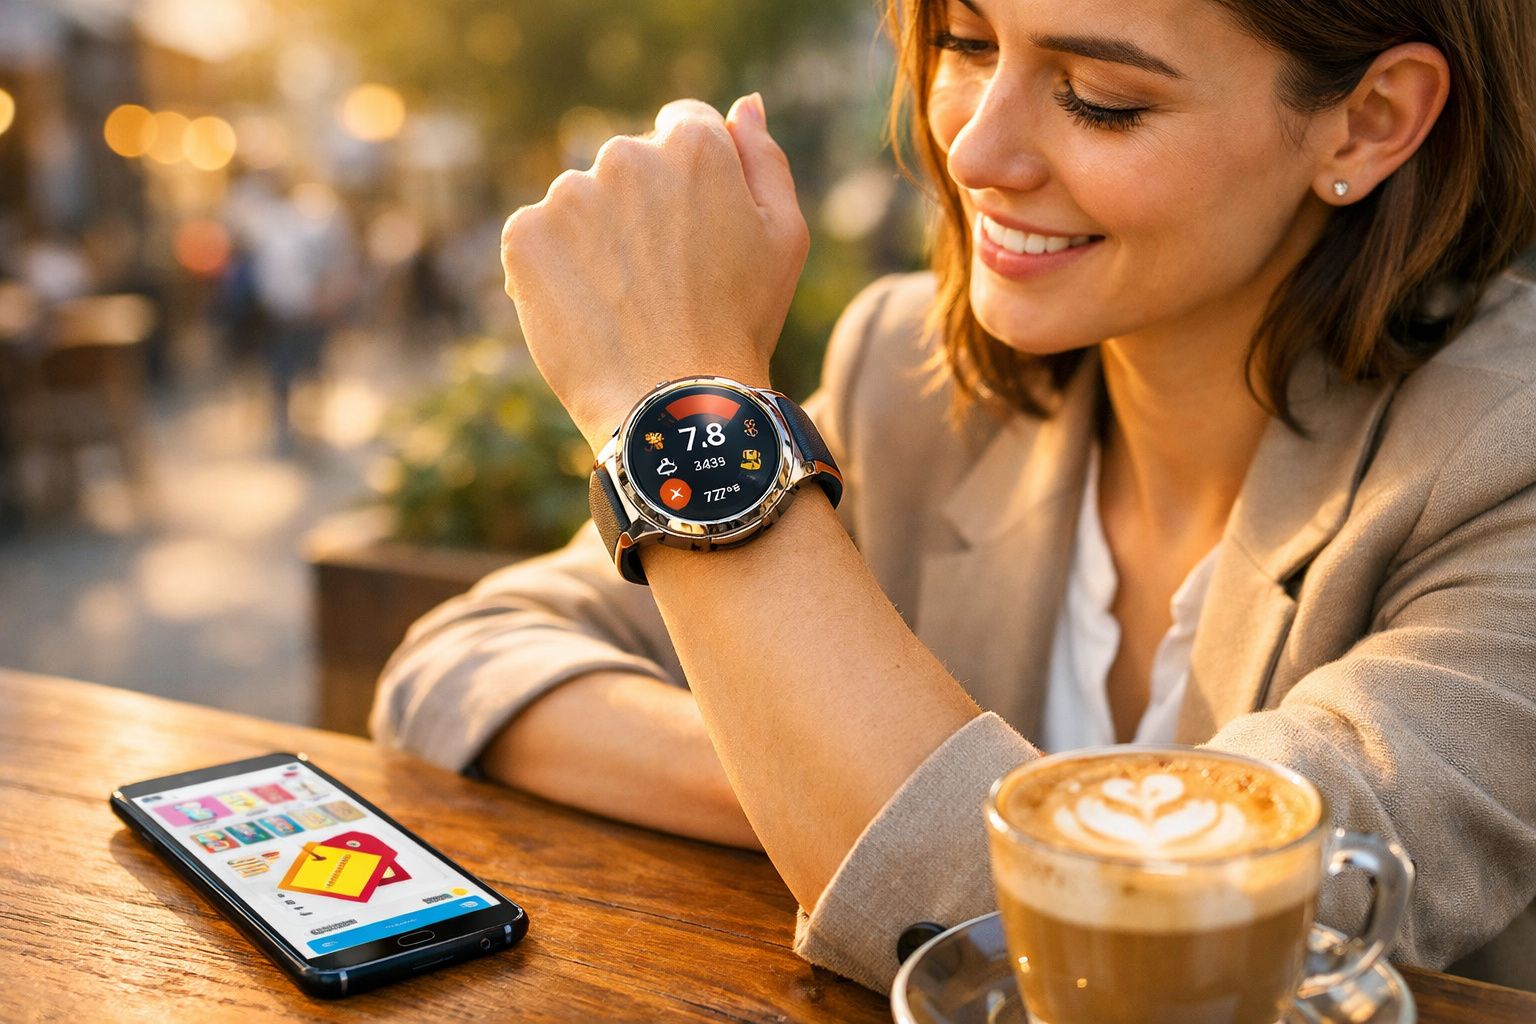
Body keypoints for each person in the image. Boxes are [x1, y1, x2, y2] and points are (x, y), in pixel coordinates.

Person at [372, 0, 1536, 994]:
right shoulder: (906, 372)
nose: (977, 150)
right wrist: (806, 776)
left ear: (1370, 118)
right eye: (968, 42)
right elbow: (463, 663)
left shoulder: (1506, 463)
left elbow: (1164, 954)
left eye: (1098, 97)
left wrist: (681, 397)